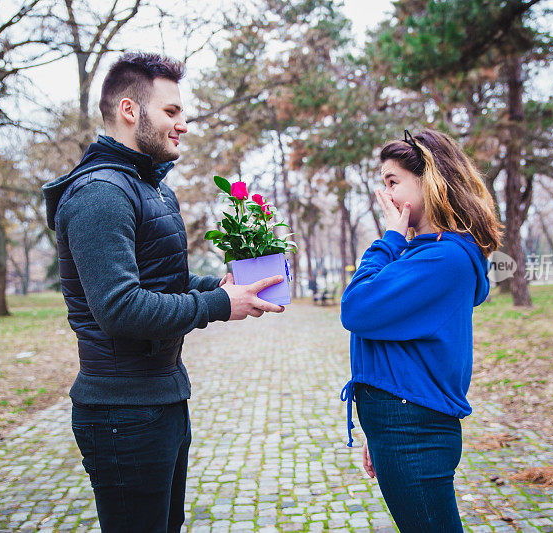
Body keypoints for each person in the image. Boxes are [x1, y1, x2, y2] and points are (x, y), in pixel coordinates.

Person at [41, 52, 284, 533]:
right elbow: (119, 308)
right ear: (131, 110)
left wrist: (222, 287)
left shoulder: (151, 189)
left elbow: (165, 284)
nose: (184, 124)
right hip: (122, 414)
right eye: (171, 112)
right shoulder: (100, 194)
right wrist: (217, 305)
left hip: (163, 399)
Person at [339, 128, 502, 531]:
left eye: (393, 182)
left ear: (428, 177)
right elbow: (392, 340)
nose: (387, 197)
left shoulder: (443, 258)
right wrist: (378, 433)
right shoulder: (427, 253)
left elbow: (357, 307)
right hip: (400, 425)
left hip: (412, 429)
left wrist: (390, 237)